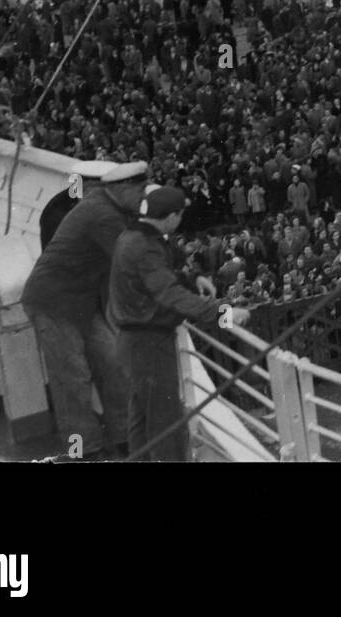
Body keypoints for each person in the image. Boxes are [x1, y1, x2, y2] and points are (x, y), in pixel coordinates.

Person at [20, 160, 153, 460]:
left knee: (114, 362)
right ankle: (82, 450)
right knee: (73, 379)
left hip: (84, 301)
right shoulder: (86, 212)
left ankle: (124, 436)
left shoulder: (113, 209)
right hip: (53, 302)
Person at [109, 185, 250, 461]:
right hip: (149, 344)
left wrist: (190, 278)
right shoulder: (146, 248)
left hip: (132, 341)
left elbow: (156, 278)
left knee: (141, 419)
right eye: (180, 215)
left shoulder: (131, 235)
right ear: (171, 216)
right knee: (166, 420)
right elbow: (168, 294)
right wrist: (224, 313)